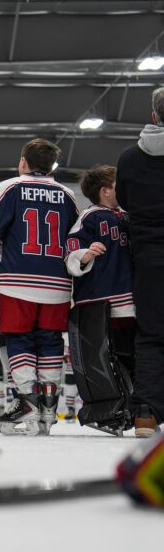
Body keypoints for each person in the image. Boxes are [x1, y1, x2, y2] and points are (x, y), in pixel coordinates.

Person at [0, 138, 79, 435]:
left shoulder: (8, 187)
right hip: (57, 283)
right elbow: (75, 240)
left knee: (19, 339)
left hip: (17, 282)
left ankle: (28, 401)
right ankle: (49, 405)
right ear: (51, 166)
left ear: (23, 161)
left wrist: (9, 259)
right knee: (50, 340)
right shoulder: (67, 194)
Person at [65, 165, 136, 431]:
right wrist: (84, 255)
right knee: (107, 361)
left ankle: (131, 410)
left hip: (132, 304)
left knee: (132, 359)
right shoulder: (90, 217)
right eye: (118, 184)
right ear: (105, 191)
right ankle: (109, 413)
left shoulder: (129, 216)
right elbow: (71, 252)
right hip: (102, 305)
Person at [116, 87, 164, 437]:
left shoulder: (130, 158)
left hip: (148, 258)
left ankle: (145, 412)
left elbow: (124, 201)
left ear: (153, 116)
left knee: (151, 335)